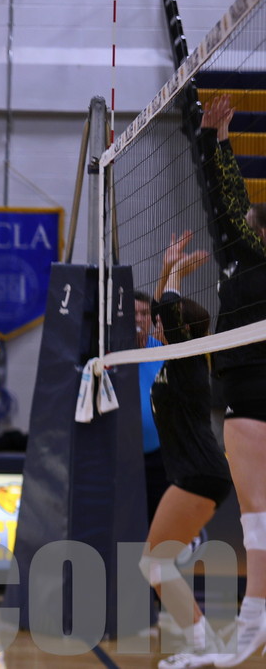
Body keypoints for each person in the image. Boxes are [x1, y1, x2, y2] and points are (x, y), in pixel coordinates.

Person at [137, 231, 233, 669]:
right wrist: (166, 272)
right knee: (155, 563)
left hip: (199, 472)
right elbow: (164, 312)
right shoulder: (171, 357)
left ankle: (206, 645)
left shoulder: (190, 360)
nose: (157, 327)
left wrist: (174, 271)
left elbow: (167, 312)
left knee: (154, 564)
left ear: (184, 331)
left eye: (166, 323)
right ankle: (206, 643)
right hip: (195, 472)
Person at [199, 95, 266, 668]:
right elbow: (232, 205)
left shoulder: (249, 252)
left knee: (256, 512)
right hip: (248, 388)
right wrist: (218, 143)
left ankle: (254, 618)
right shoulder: (246, 254)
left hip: (249, 393)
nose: (238, 224)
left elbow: (228, 204)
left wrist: (213, 142)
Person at [135, 291, 170, 521]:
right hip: (122, 458)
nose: (139, 319)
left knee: (157, 522)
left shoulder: (162, 352)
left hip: (159, 457)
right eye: (134, 313)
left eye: (144, 313)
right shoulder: (109, 353)